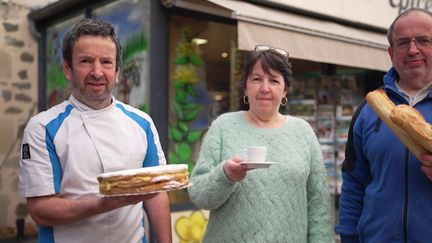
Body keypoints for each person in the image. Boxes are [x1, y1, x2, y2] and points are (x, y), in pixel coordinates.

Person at [18, 18, 171, 243]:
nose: (97, 72)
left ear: (117, 71)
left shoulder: (142, 122)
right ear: (68, 69)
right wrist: (104, 203)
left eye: (106, 62)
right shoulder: (43, 127)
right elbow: (40, 210)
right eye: (86, 61)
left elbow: (156, 192)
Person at [188, 45, 333, 242]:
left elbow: (319, 205)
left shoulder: (303, 132)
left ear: (285, 90)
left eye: (274, 80)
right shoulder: (223, 127)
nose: (265, 88)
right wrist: (225, 176)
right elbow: (198, 194)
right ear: (246, 87)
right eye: (257, 79)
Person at [336, 8, 432, 243]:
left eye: (423, 40)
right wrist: (349, 238)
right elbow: (353, 182)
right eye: (402, 43)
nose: (412, 49)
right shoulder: (368, 111)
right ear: (391, 53)